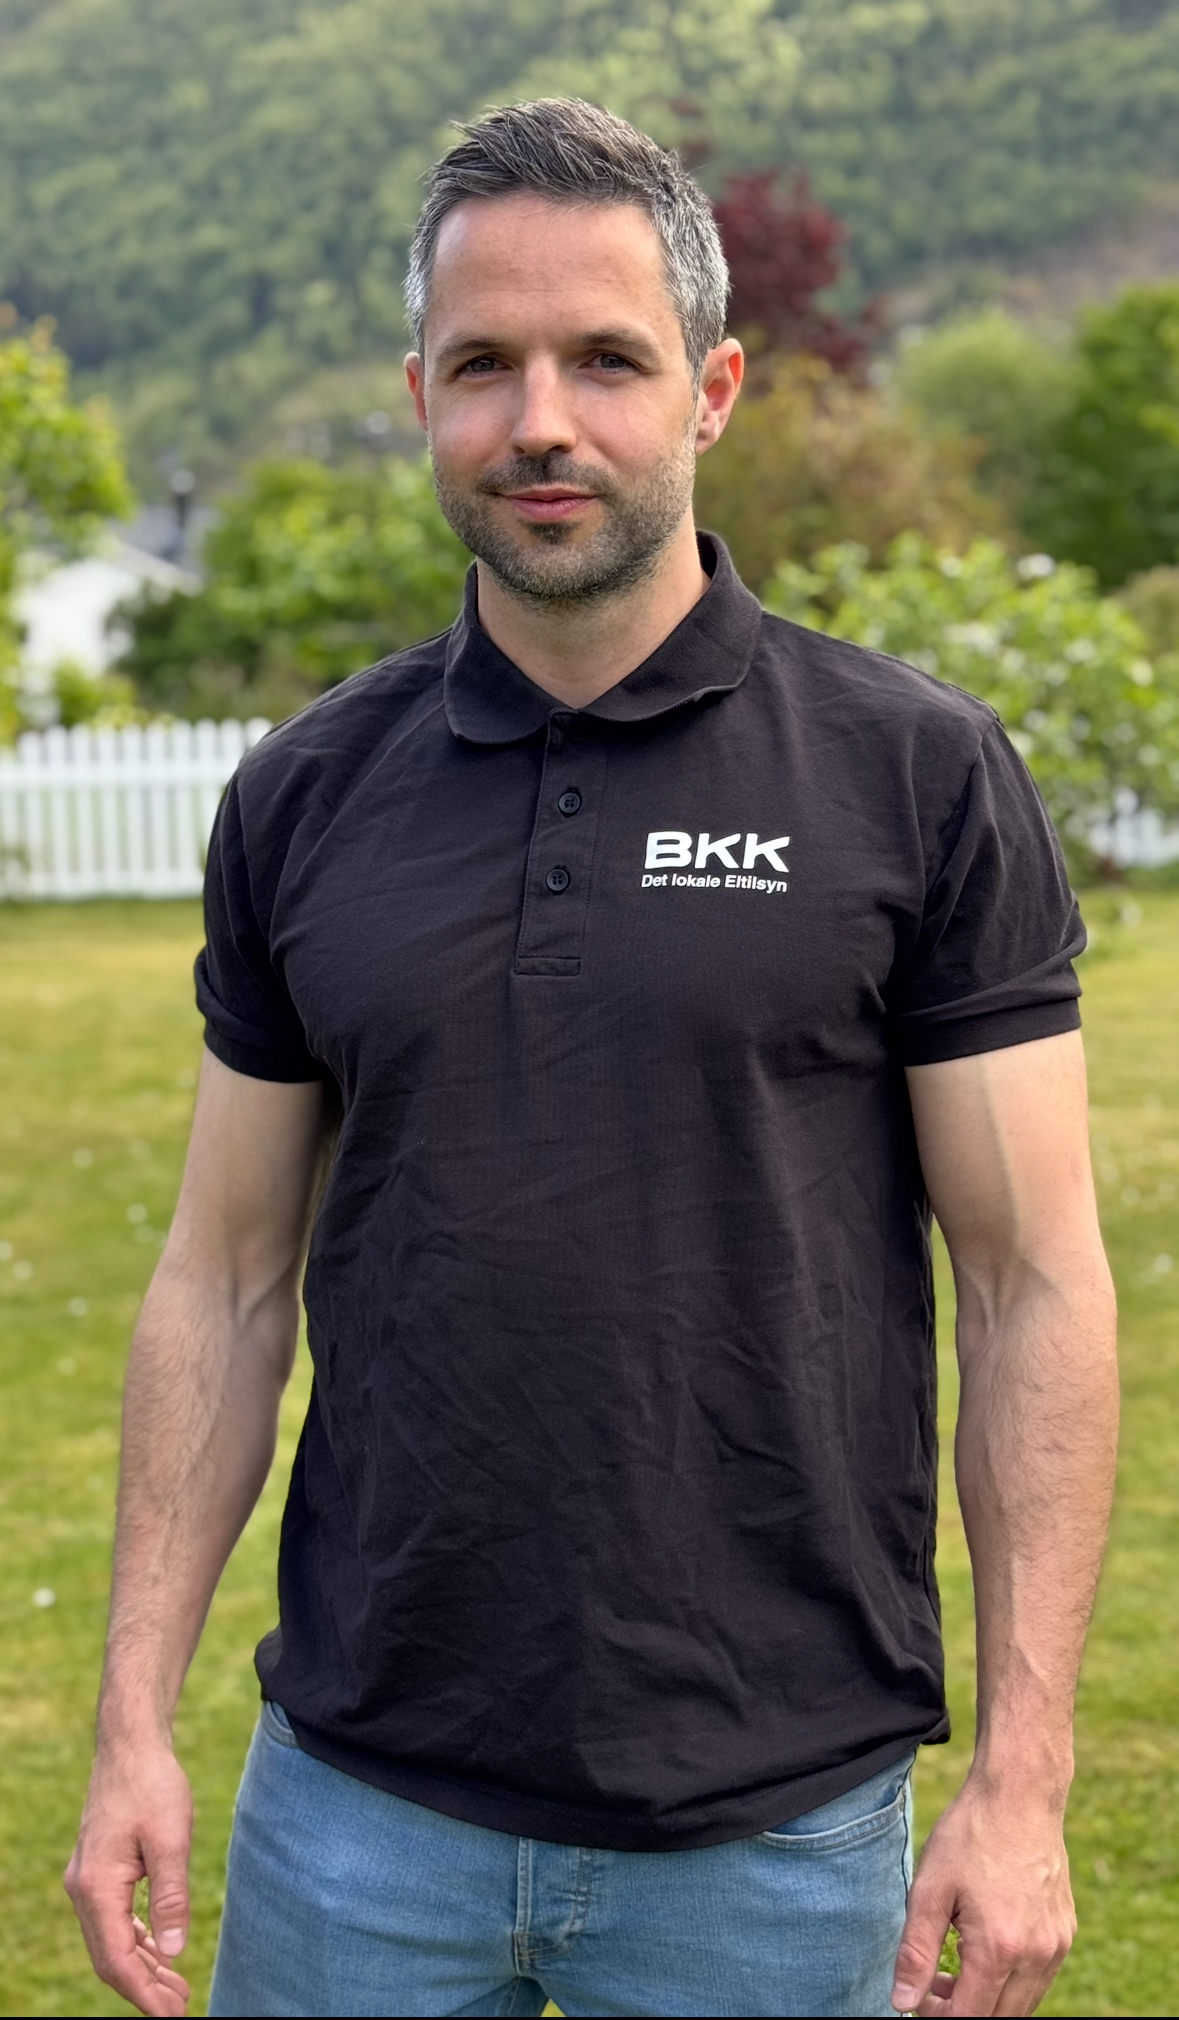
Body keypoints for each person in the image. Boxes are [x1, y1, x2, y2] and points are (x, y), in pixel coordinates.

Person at [65, 98, 1118, 2020]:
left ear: (711, 389)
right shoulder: (307, 794)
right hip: (356, 1812)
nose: (540, 420)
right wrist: (134, 1716)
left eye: (606, 360)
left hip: (775, 1830)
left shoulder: (912, 776)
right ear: (420, 399)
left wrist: (1027, 1775)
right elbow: (219, 1280)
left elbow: (1032, 1281)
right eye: (484, 364)